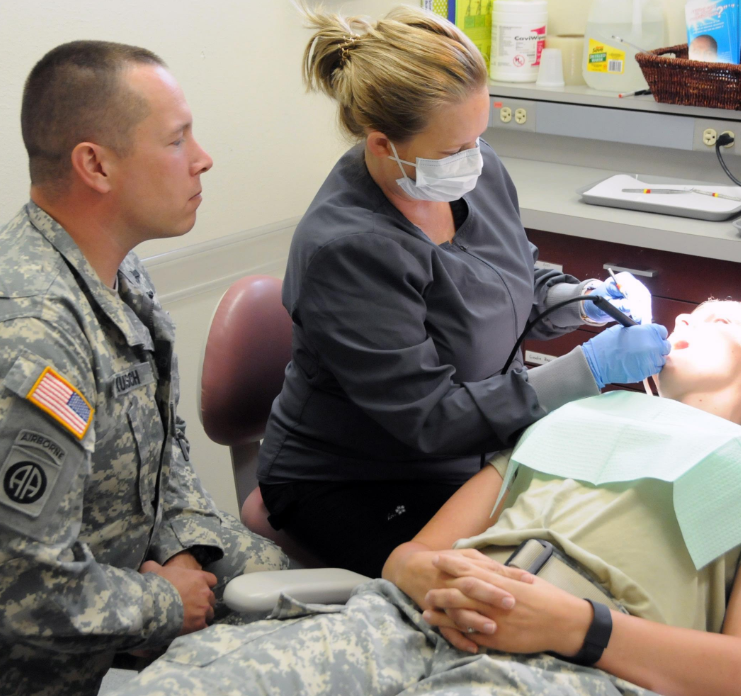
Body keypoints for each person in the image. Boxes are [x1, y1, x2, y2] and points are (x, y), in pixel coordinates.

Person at [113, 301, 741, 696]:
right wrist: (429, 578)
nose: (685, 321)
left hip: (579, 666)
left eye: (717, 321)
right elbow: (411, 557)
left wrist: (573, 626)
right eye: (686, 317)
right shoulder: (578, 419)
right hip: (413, 622)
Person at [0, 41, 288, 696]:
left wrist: (188, 552)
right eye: (176, 141)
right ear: (96, 165)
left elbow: (164, 458)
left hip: (102, 606)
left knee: (321, 603)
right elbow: (14, 584)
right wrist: (163, 604)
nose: (203, 158)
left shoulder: (111, 268)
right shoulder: (24, 338)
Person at [255, 5, 670, 577]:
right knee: (499, 593)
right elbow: (432, 420)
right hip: (357, 477)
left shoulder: (476, 170)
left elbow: (513, 278)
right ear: (381, 144)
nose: (474, 158)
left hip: (475, 454)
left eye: (480, 136)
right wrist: (585, 371)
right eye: (455, 149)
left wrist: (582, 300)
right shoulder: (347, 250)